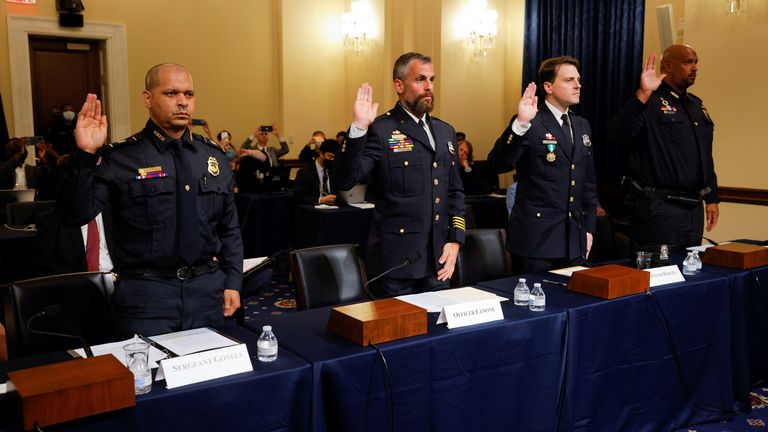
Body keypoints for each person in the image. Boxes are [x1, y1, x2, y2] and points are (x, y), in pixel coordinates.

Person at [57, 63, 243, 338]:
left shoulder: (211, 156)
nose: (182, 102)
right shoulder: (122, 158)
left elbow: (230, 228)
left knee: (210, 378)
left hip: (206, 291)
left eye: (189, 94)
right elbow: (74, 215)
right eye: (170, 93)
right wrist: (85, 154)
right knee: (147, 379)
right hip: (147, 296)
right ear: (147, 98)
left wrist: (233, 281)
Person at [336, 52, 466, 297]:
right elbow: (345, 179)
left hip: (438, 262)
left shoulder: (445, 131)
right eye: (420, 80)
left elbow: (455, 192)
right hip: (396, 265)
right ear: (399, 85)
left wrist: (456, 239)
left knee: (440, 332)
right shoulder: (382, 129)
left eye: (432, 79)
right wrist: (358, 128)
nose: (429, 87)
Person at [489, 56, 598, 275]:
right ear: (548, 86)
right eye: (569, 80)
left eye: (578, 79)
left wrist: (588, 229)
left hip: (573, 240)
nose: (578, 85)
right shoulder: (531, 120)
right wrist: (520, 124)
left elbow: (588, 184)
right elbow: (498, 164)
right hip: (536, 242)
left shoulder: (581, 125)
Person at [608, 45, 719, 252]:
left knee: (689, 274)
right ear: (667, 65)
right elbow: (617, 133)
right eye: (687, 62)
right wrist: (642, 95)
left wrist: (712, 198)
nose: (694, 68)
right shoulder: (649, 101)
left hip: (693, 209)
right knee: (657, 276)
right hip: (659, 209)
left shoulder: (696, 106)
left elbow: (704, 156)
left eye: (696, 62)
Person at [36, 206, 114, 277]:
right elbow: (46, 266)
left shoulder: (119, 213)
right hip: (75, 284)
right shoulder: (50, 220)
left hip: (117, 282)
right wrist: (89, 279)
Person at [294, 139, 339, 205]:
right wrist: (321, 200)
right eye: (330, 156)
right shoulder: (304, 173)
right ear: (321, 154)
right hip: (314, 209)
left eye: (335, 158)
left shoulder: (335, 171)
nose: (332, 160)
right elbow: (299, 198)